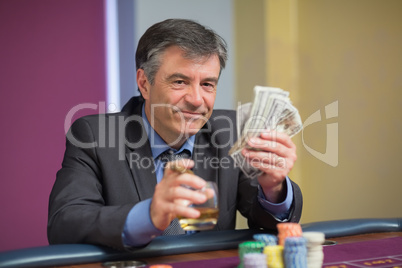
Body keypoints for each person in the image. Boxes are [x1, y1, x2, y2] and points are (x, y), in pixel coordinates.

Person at [47, 18, 302, 250]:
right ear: (145, 83)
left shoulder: (230, 130)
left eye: (207, 84)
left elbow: (268, 221)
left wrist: (273, 188)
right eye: (179, 82)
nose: (196, 100)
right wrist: (148, 215)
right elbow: (64, 223)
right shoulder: (96, 136)